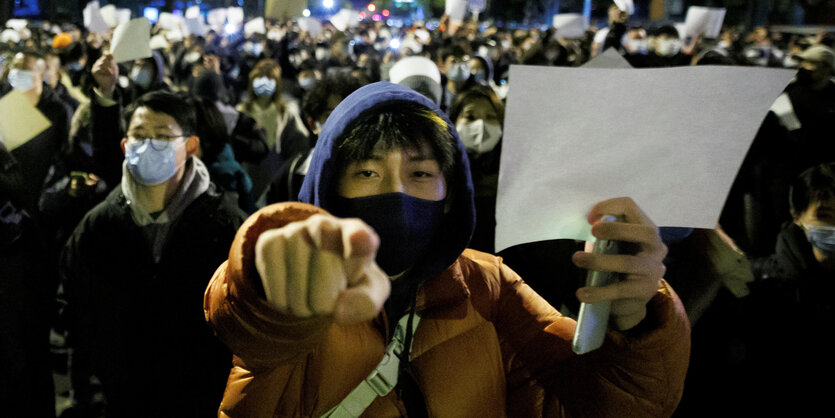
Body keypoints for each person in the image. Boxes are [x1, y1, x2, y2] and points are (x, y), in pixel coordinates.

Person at [205, 82, 690, 416]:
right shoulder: (301, 301)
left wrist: (638, 321)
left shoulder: (489, 288)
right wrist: (271, 279)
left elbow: (602, 402)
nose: (396, 195)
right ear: (330, 186)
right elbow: (249, 320)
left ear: (450, 193)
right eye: (368, 174)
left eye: (420, 175)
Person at [60, 90, 246, 417]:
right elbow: (76, 305)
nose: (148, 145)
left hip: (204, 396)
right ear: (124, 145)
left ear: (190, 146)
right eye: (139, 136)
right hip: (122, 397)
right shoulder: (99, 224)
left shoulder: (226, 226)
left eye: (162, 137)